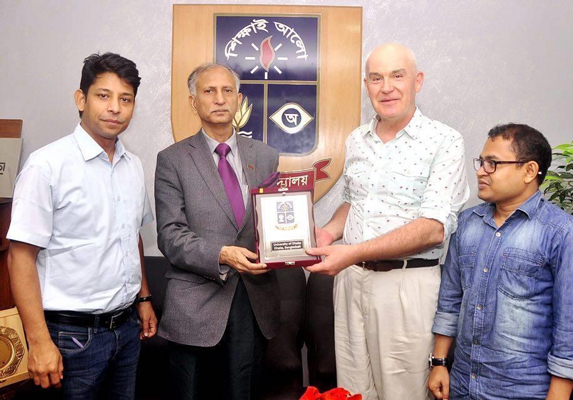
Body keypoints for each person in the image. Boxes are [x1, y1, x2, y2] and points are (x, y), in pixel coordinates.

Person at [306, 43, 469, 399]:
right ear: (366, 84)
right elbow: (353, 201)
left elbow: (433, 228)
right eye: (376, 78)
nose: (387, 87)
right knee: (351, 389)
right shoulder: (357, 139)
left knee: (403, 392)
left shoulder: (444, 141)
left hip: (406, 285)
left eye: (398, 76)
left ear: (418, 81)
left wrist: (351, 252)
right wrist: (328, 232)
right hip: (350, 282)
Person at [7, 52, 157, 399]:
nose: (115, 108)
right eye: (103, 96)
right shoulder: (46, 166)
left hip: (126, 330)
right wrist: (39, 342)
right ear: (81, 99)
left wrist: (144, 298)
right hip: (69, 337)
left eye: (125, 99)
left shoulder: (132, 166)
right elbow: (20, 258)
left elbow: (131, 236)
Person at [428, 124, 573, 400]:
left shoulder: (566, 233)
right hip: (461, 385)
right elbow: (450, 301)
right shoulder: (468, 223)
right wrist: (439, 363)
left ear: (529, 171)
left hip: (525, 390)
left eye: (493, 163)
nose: (481, 170)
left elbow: (571, 328)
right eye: (481, 161)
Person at [154, 63, 280, 400]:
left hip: (254, 299)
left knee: (245, 390)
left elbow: (274, 223)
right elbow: (169, 234)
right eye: (209, 91)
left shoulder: (266, 157)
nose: (219, 99)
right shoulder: (172, 160)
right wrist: (221, 254)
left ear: (239, 99)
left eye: (227, 91)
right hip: (196, 301)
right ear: (194, 102)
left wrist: (286, 246)